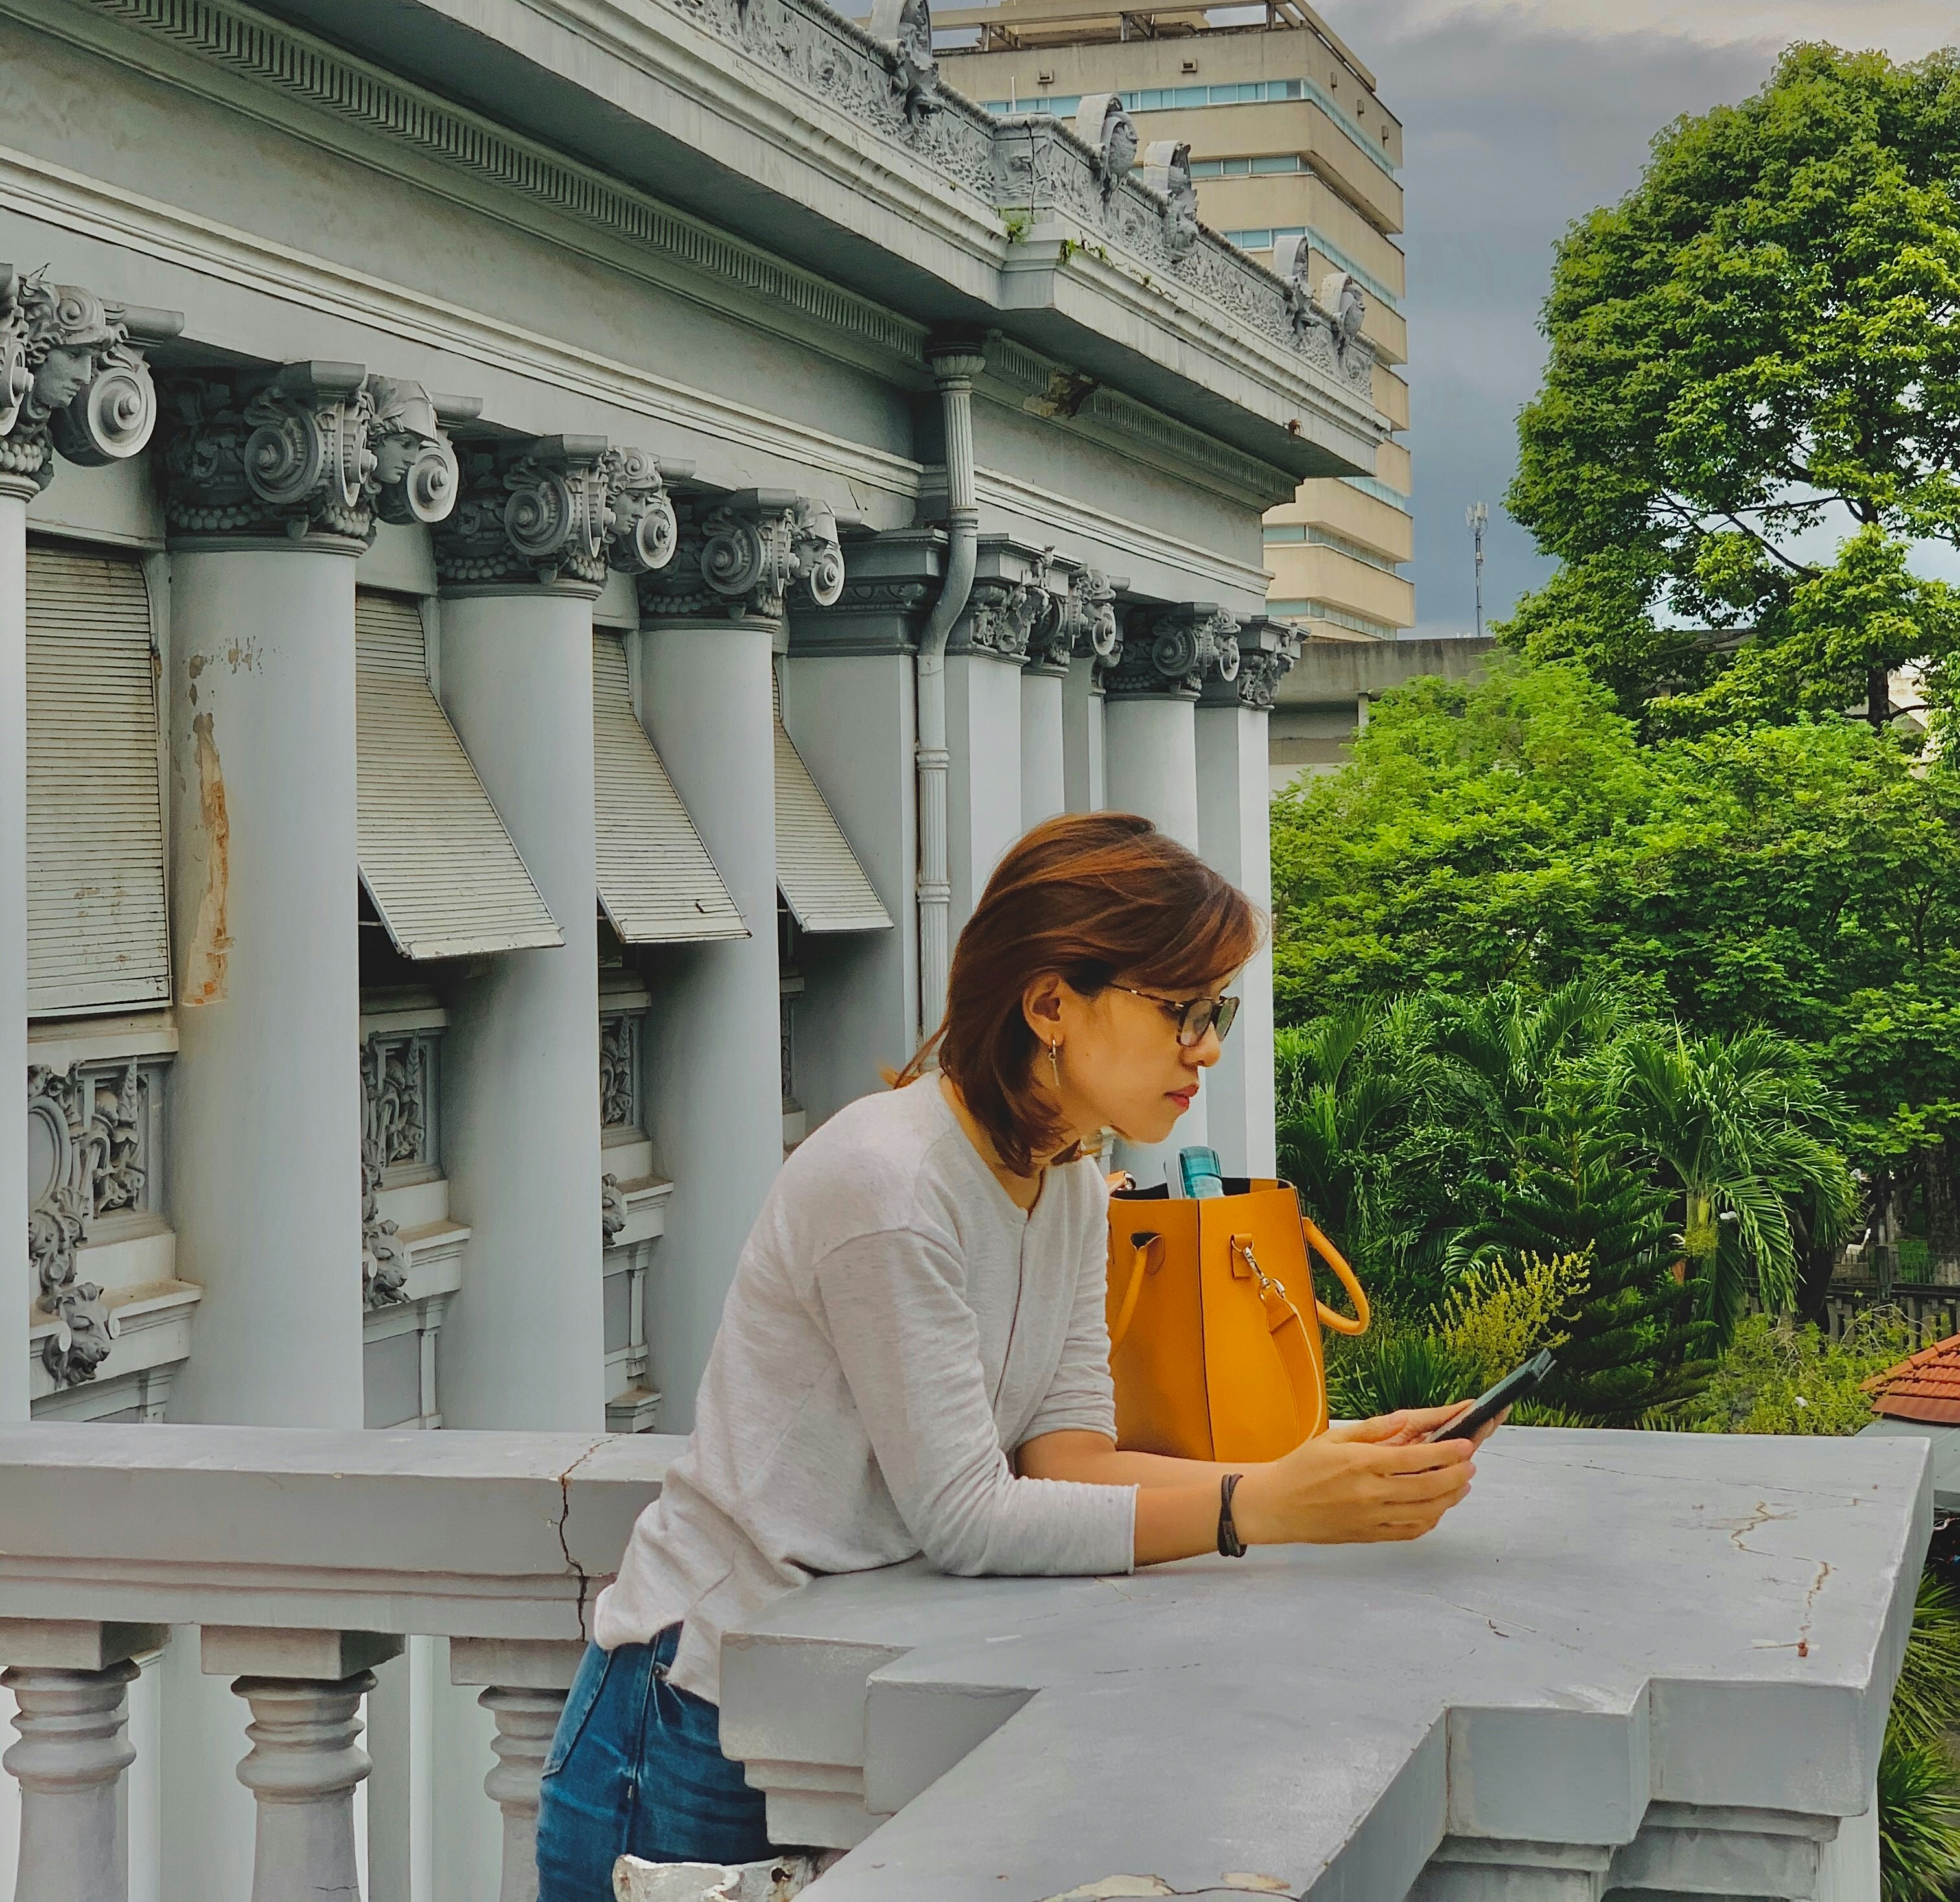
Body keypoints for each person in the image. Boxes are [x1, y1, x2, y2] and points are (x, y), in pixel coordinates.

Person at [535, 812, 1486, 1896]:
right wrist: (1261, 1509)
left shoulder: (1070, 1178)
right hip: (694, 1705)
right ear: (1049, 1004)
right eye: (1181, 1010)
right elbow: (968, 1516)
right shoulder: (890, 1186)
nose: (1208, 1047)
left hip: (848, 1676)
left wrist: (1316, 1468)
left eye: (1213, 1011)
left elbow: (1065, 1456)